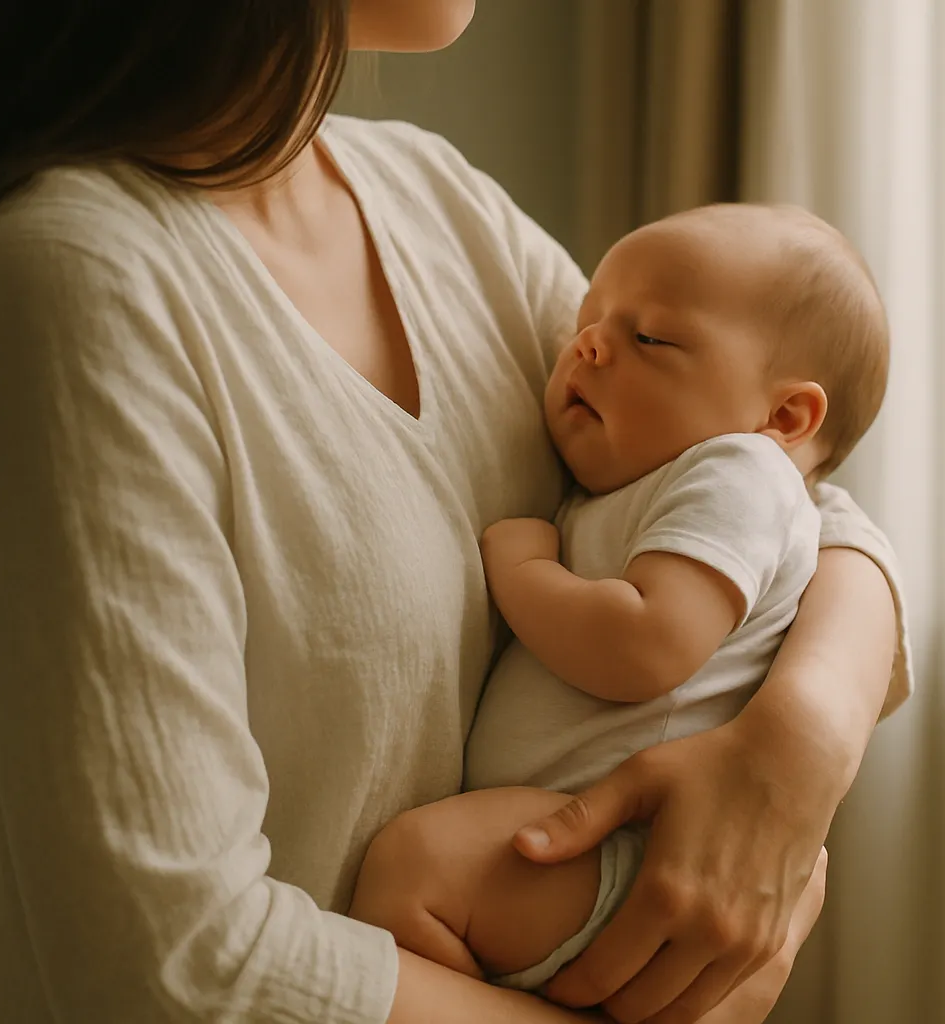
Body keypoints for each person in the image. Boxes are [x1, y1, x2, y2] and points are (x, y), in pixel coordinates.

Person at [0, 2, 911, 1022]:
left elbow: (787, 491)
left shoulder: (433, 201)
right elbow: (173, 967)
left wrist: (794, 748)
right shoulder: (77, 283)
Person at [345, 202, 894, 998]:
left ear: (783, 417)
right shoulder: (653, 481)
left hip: (634, 853)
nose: (590, 345)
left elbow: (646, 646)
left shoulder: (739, 473)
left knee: (410, 872)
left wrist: (524, 568)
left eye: (651, 339)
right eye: (588, 322)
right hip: (586, 844)